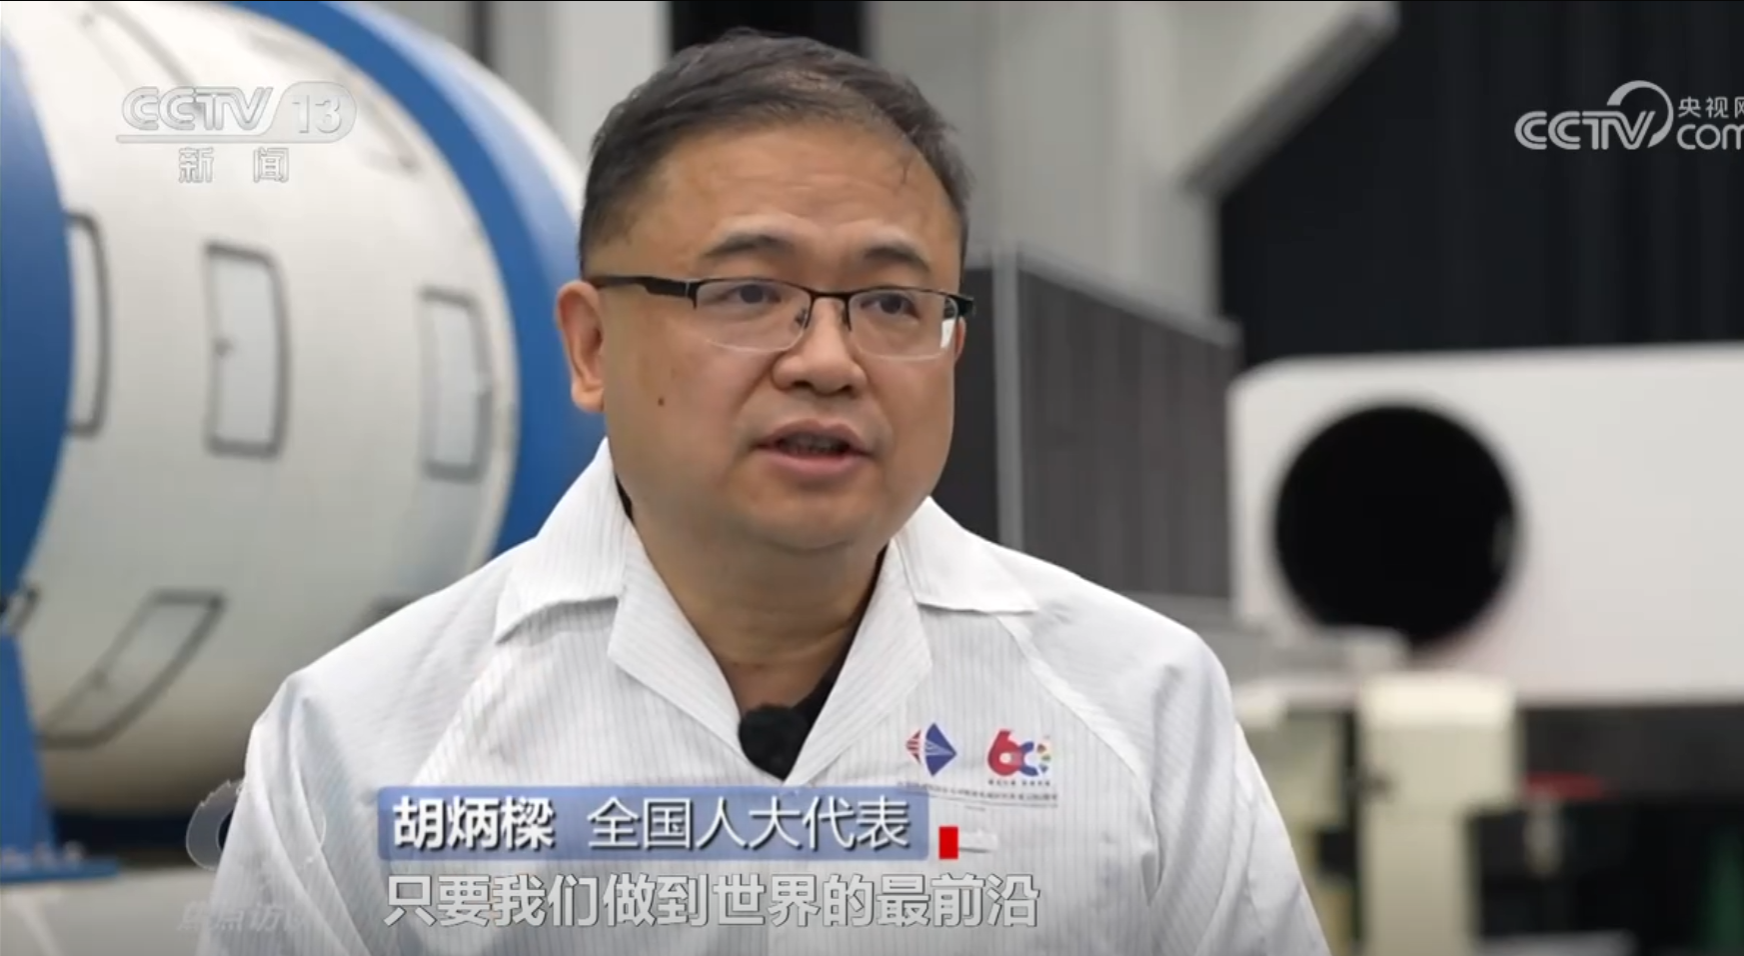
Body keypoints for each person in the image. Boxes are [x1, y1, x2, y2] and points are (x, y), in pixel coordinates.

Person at [200, 30, 1331, 956]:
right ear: (592, 346)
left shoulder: (1138, 704)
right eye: (747, 292)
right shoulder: (361, 742)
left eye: (893, 305)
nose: (828, 360)